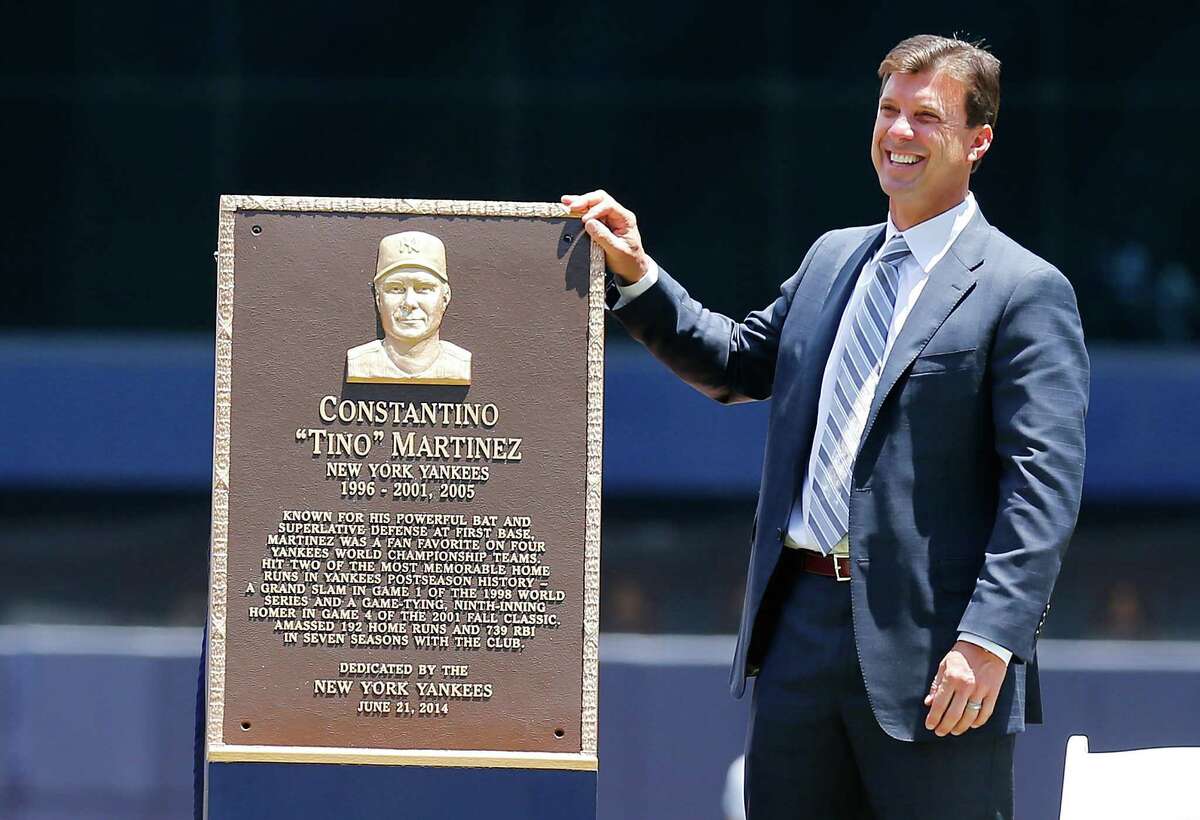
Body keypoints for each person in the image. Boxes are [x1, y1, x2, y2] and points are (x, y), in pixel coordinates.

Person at [564, 34, 1088, 819]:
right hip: (797, 632)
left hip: (938, 655)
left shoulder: (1024, 289)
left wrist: (989, 641)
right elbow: (737, 363)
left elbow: (1040, 490)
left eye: (926, 117)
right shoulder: (831, 260)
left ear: (978, 142)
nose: (899, 133)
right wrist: (639, 274)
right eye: (888, 111)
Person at [346, 230, 471, 385]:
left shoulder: (459, 363)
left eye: (423, 288)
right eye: (396, 289)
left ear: (445, 298)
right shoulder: (360, 362)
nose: (409, 302)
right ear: (378, 299)